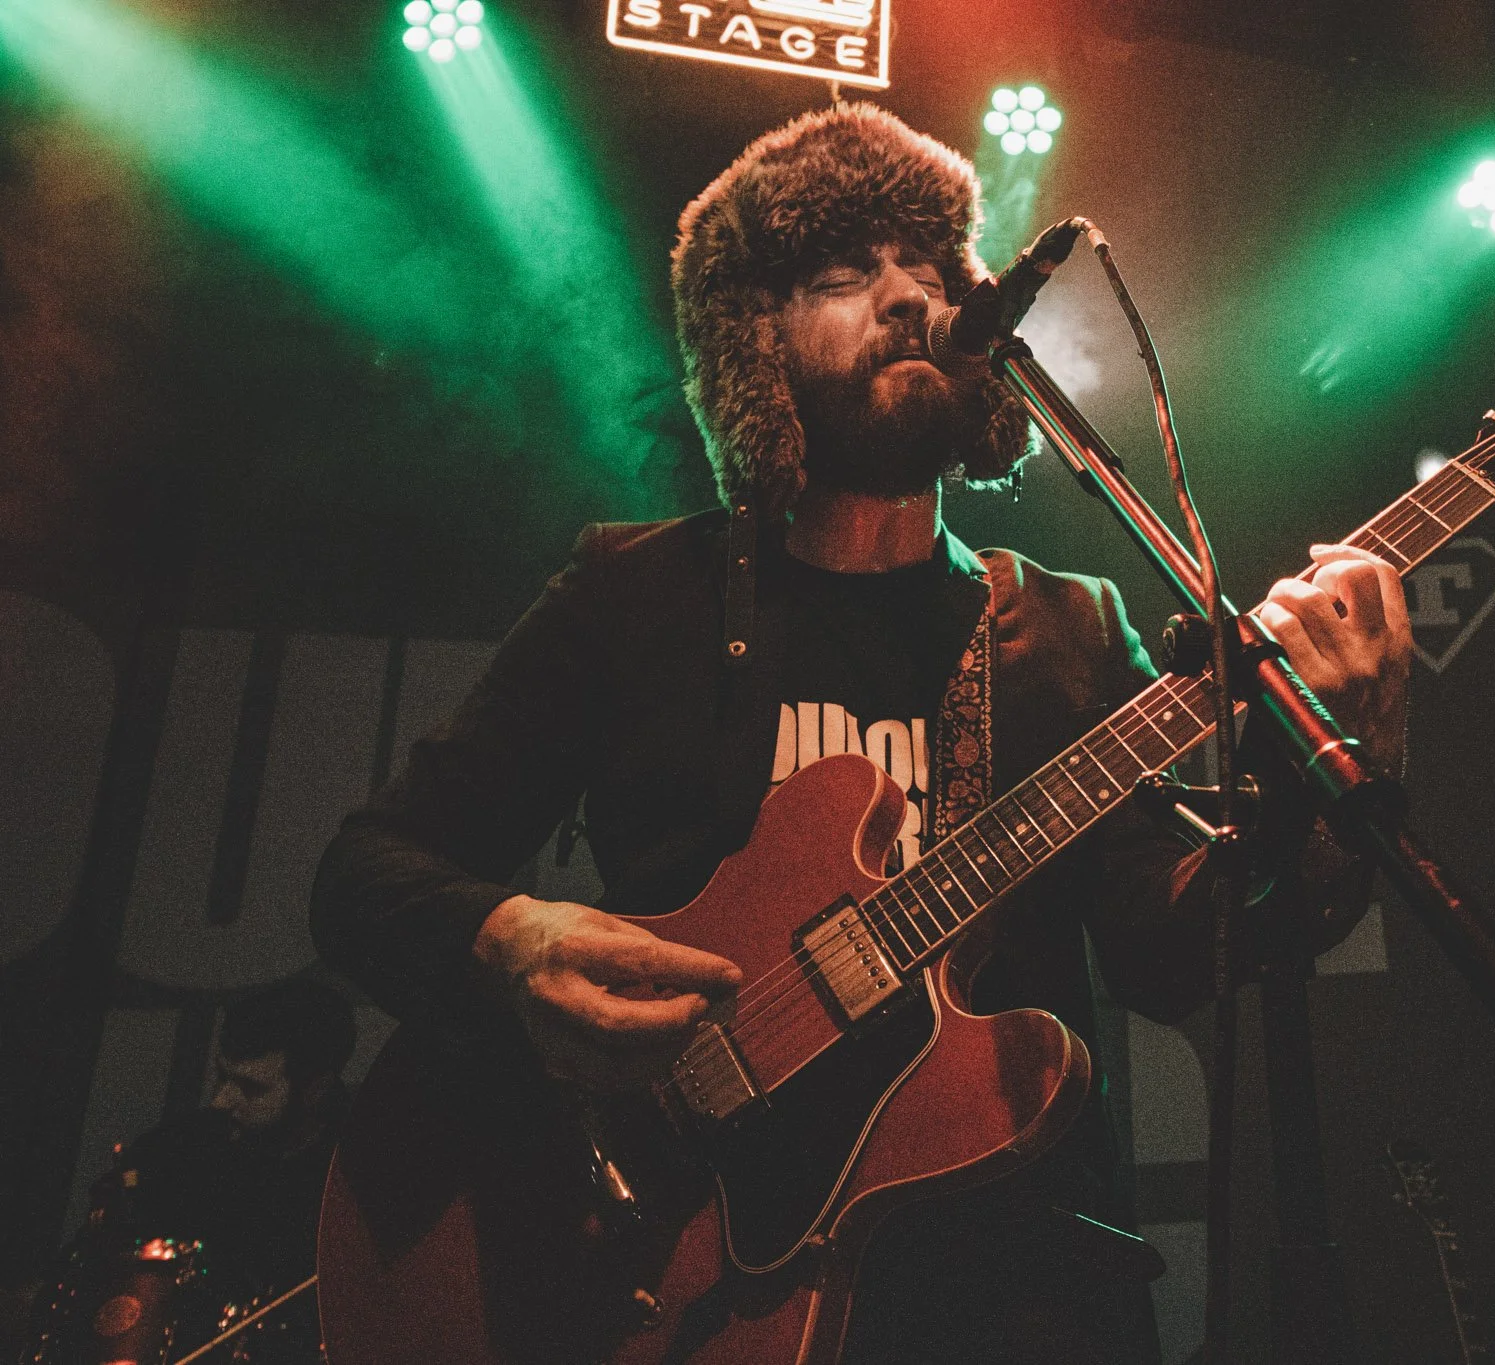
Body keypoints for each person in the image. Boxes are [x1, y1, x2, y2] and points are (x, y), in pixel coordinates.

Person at [311, 103, 1411, 1364]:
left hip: (1008, 1287)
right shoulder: (637, 595)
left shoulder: (1063, 626)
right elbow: (363, 873)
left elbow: (1170, 957)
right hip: (669, 1272)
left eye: (928, 269)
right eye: (843, 274)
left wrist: (1343, 776)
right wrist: (507, 941)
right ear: (753, 343)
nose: (905, 297)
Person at [64, 980, 354, 1362]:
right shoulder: (183, 1144)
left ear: (316, 1090)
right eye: (222, 1077)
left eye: (250, 1087)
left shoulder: (350, 1179)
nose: (221, 1101)